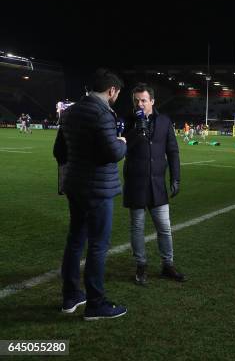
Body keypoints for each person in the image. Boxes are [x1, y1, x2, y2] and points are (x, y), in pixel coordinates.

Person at [53, 68, 128, 320]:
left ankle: (71, 295)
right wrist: (122, 143)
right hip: (98, 188)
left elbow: (59, 150)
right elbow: (112, 152)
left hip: (75, 185)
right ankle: (96, 303)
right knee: (98, 245)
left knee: (75, 241)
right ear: (112, 91)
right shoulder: (102, 113)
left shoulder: (70, 112)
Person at [123, 83, 185, 284]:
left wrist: (175, 177)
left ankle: (168, 265)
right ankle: (141, 266)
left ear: (152, 101)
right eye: (136, 100)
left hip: (158, 185)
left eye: (143, 100)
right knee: (137, 227)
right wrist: (134, 132)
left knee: (164, 228)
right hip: (136, 184)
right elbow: (119, 147)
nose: (139, 104)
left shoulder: (164, 121)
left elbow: (173, 151)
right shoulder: (126, 121)